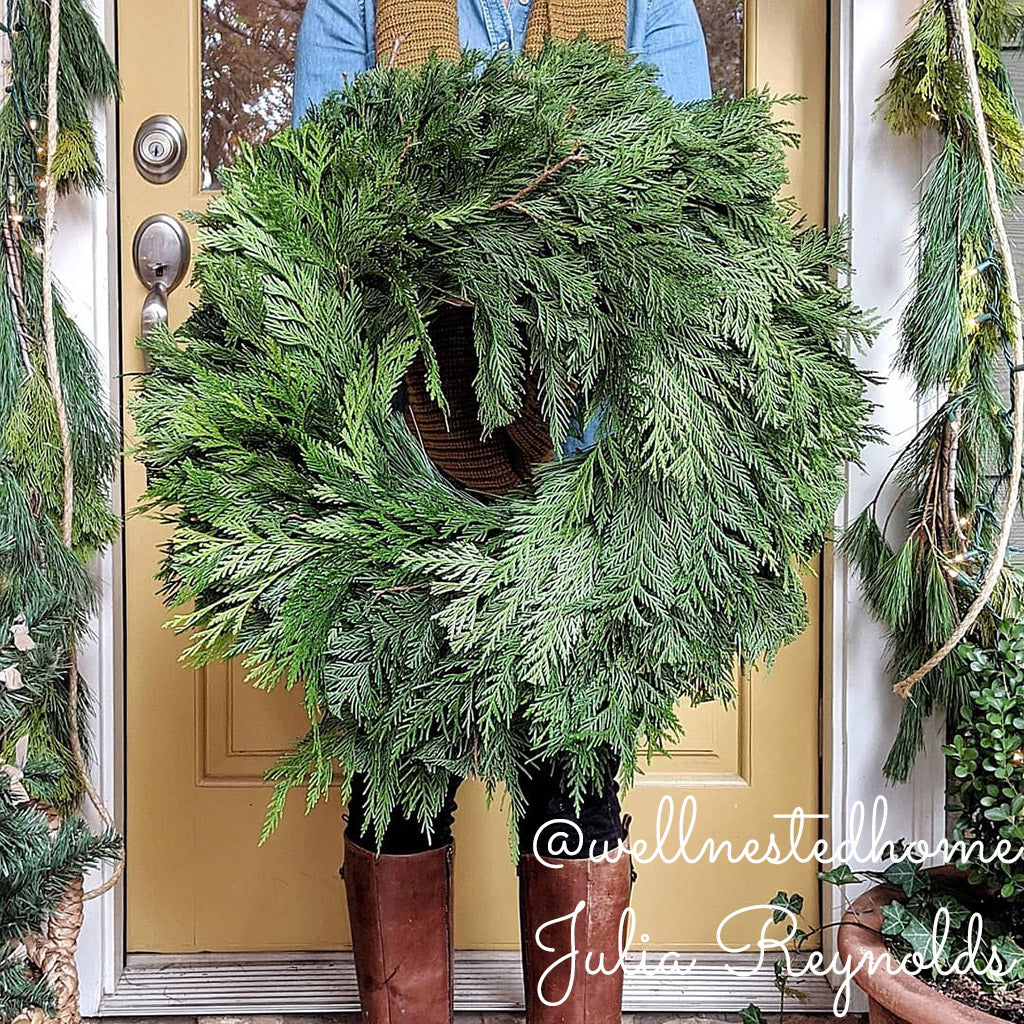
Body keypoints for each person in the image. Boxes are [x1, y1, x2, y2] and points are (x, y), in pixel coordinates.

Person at [291, 4, 712, 1021]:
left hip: (585, 464)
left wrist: (463, 211)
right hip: (401, 462)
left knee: (575, 777)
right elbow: (330, 198)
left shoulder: (645, 7)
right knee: (396, 784)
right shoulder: (354, 6)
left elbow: (675, 201)